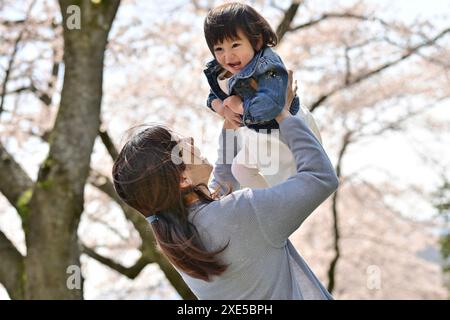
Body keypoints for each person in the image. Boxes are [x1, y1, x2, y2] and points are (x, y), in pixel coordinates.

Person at [112, 72, 339, 299]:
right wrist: (283, 113)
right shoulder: (244, 211)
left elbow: (220, 185)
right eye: (179, 146)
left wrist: (230, 125)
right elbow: (320, 177)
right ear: (182, 180)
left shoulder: (180, 238)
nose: (189, 140)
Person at [203, 2, 322, 188]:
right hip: (258, 132)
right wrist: (223, 108)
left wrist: (239, 106)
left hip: (283, 128)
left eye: (235, 45)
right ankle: (268, 201)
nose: (228, 56)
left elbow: (270, 104)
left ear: (256, 41)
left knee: (289, 175)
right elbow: (213, 97)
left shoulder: (267, 65)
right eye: (219, 49)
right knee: (240, 168)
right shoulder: (221, 71)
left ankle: (283, 198)